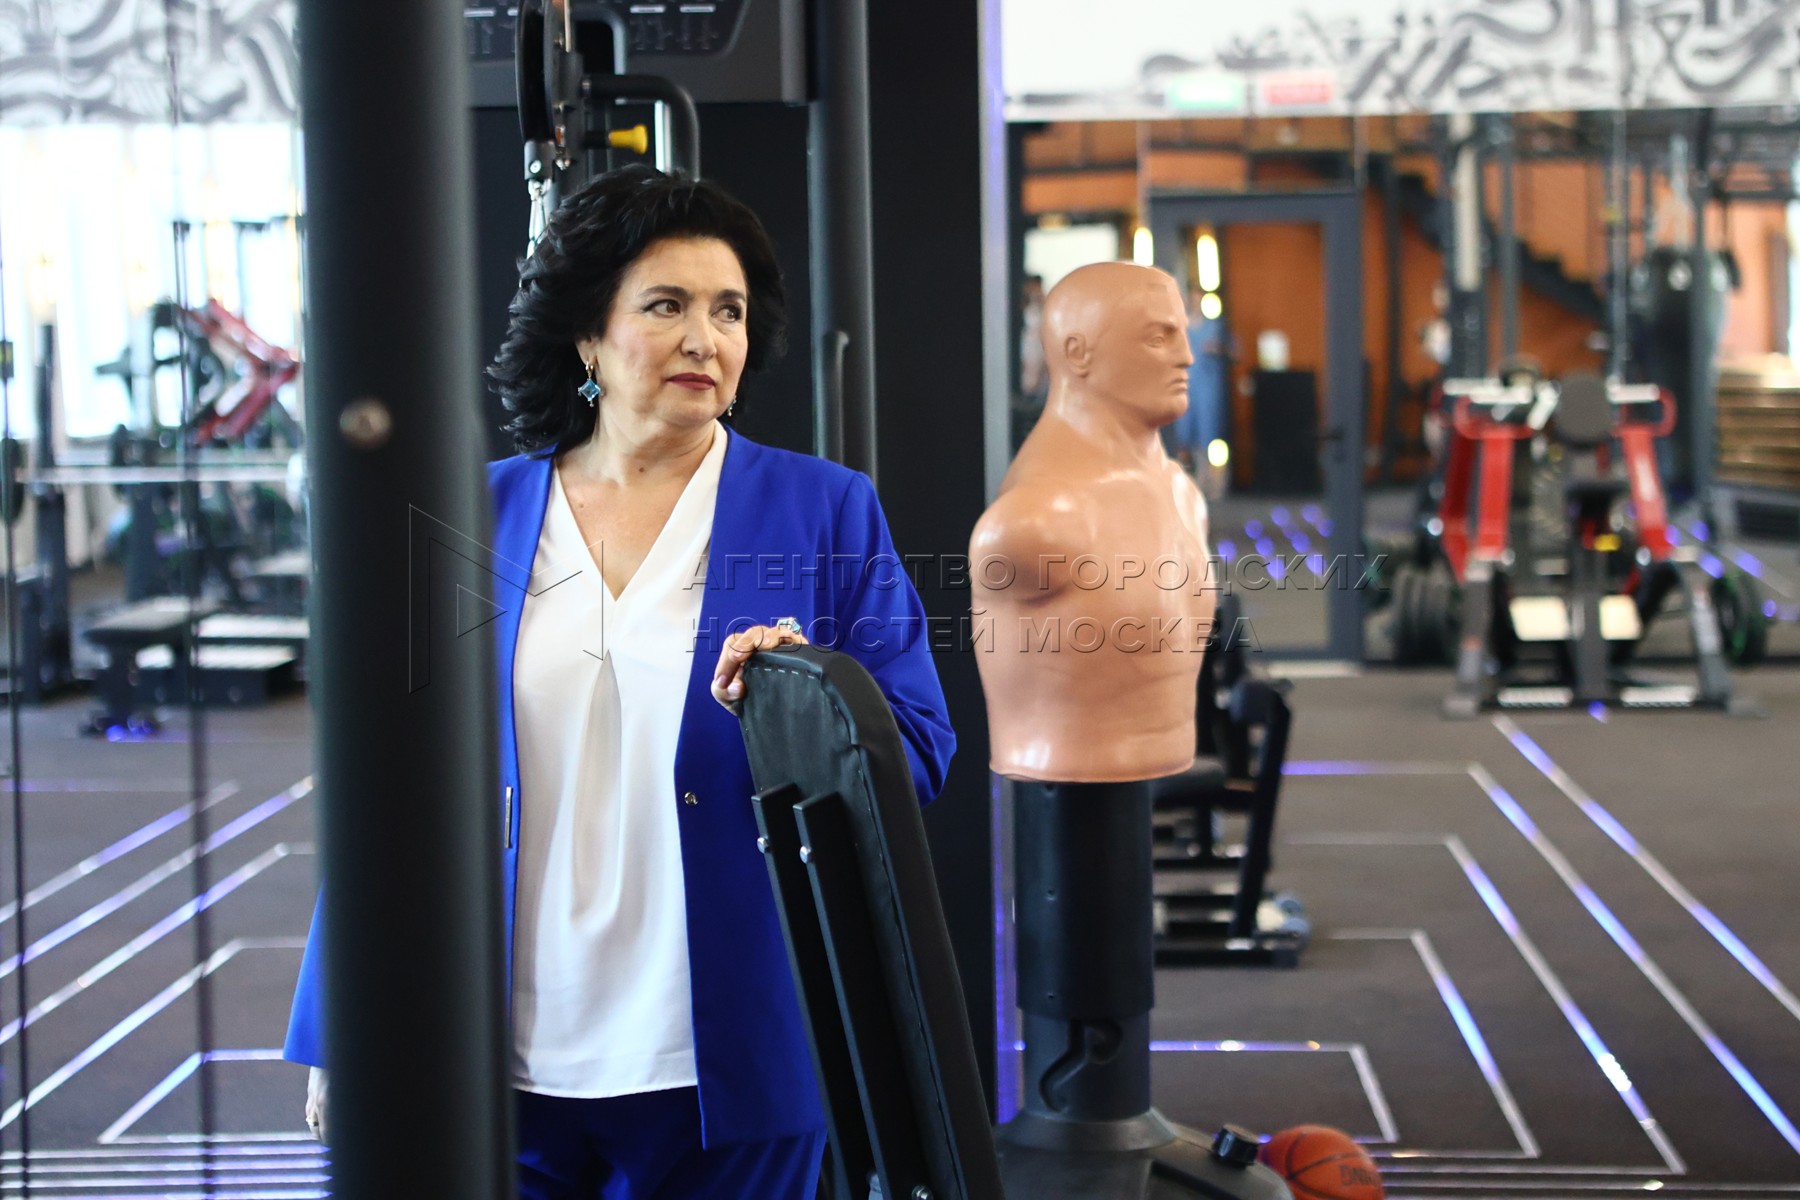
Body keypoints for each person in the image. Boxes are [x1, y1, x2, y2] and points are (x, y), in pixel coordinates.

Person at [284, 165, 956, 1198]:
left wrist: (799, 703)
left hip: (732, 1053)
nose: (705, 339)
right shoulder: (474, 514)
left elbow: (916, 749)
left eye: (728, 311)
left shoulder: (824, 510)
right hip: (500, 1053)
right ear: (589, 337)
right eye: (666, 306)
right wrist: (341, 1027)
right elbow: (390, 788)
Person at [971, 261, 1213, 783]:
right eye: (1159, 337)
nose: (1186, 356)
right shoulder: (1034, 522)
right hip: (1062, 780)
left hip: (1151, 777)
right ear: (1078, 353)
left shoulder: (1184, 493)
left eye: (1182, 334)